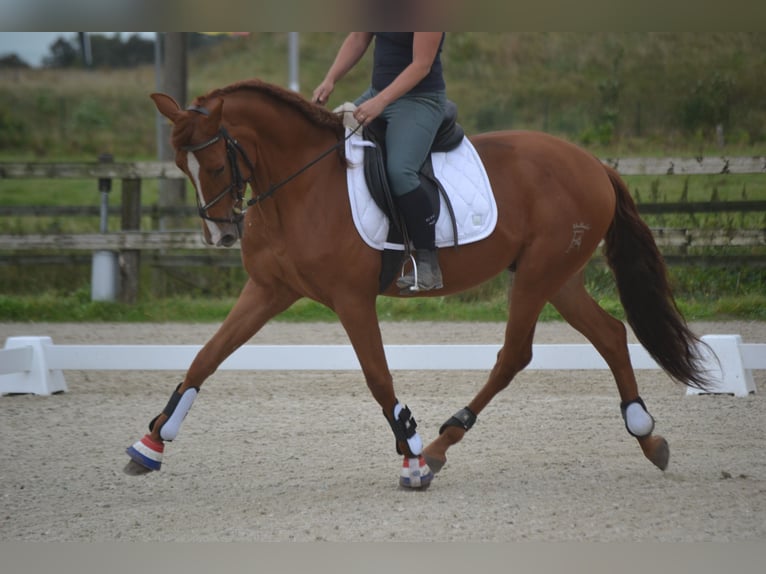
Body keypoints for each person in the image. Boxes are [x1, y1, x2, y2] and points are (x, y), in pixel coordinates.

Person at [313, 32, 447, 292]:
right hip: (378, 93)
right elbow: (357, 38)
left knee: (400, 171)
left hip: (420, 100)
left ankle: (429, 263)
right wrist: (330, 79)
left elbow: (422, 65)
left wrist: (381, 102)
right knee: (326, 145)